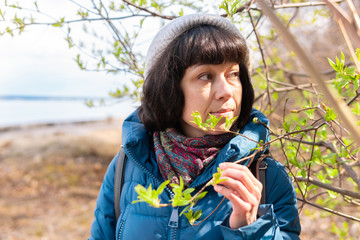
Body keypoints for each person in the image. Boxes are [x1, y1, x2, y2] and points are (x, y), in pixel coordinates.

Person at [89, 13, 301, 240]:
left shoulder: (267, 176)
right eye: (206, 76)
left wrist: (249, 229)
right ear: (169, 88)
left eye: (233, 74)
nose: (226, 91)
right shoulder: (127, 165)